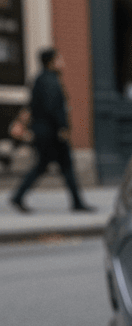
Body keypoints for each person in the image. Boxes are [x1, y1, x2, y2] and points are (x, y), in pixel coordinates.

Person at [9, 48, 94, 213]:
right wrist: (63, 128)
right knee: (62, 166)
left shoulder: (40, 79)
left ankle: (19, 196)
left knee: (48, 166)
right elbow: (54, 108)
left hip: (44, 131)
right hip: (52, 133)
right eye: (59, 59)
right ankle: (76, 203)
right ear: (51, 62)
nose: (62, 62)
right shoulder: (50, 81)